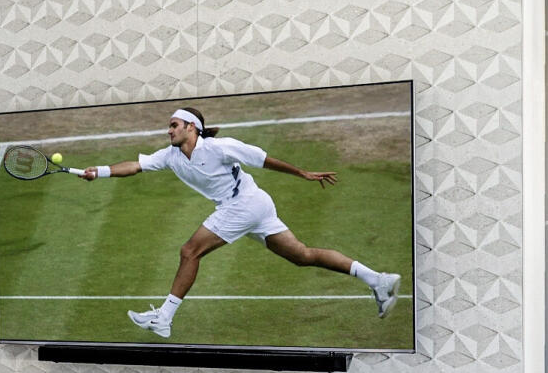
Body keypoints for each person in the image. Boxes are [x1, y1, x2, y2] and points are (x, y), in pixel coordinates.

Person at [72, 107, 401, 338]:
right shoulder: (170, 155)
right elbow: (134, 165)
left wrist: (301, 173)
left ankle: (164, 318)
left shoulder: (219, 147)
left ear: (191, 127)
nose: (168, 130)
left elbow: (263, 159)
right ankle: (378, 279)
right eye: (169, 126)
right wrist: (97, 172)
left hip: (243, 204)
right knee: (302, 256)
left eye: (174, 125)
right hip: (253, 206)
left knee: (190, 252)